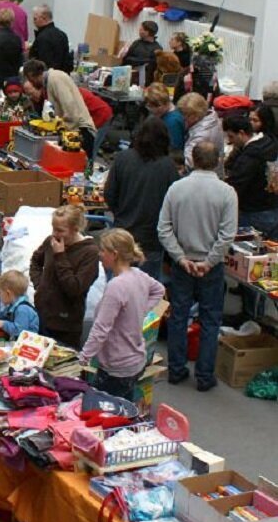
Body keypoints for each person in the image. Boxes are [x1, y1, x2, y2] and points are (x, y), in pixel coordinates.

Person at [158, 141, 238, 391]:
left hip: (183, 264)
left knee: (178, 317)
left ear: (192, 159)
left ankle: (176, 369)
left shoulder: (176, 188)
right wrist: (209, 261)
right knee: (210, 319)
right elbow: (227, 235)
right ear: (218, 161)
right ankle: (204, 376)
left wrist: (180, 258)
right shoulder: (227, 193)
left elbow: (164, 228)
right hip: (210, 267)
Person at [80, 229, 166, 400]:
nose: (100, 254)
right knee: (123, 408)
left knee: (99, 408)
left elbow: (100, 328)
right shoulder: (139, 275)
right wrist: (141, 311)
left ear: (114, 254)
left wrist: (84, 356)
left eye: (103, 250)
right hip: (136, 361)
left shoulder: (116, 286)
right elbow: (160, 290)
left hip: (116, 367)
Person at [104, 117, 178, 281]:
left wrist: (120, 213)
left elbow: (109, 193)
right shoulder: (168, 167)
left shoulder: (123, 158)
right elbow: (173, 205)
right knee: (144, 292)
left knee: (115, 286)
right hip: (151, 238)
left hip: (122, 232)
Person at [29, 205, 98, 348]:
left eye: (60, 230)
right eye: (53, 228)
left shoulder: (89, 253)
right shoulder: (50, 241)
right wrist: (40, 285)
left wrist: (60, 255)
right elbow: (35, 261)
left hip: (66, 325)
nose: (55, 234)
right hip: (42, 314)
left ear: (75, 229)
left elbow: (74, 288)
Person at [22, 59, 98, 155]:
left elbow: (70, 109)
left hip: (80, 131)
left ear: (31, 74)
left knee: (80, 167)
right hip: (74, 130)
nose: (31, 83)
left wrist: (59, 130)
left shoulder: (55, 78)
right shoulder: (50, 81)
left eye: (29, 79)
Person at [223, 114, 278, 238]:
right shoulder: (270, 142)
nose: (230, 141)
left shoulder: (249, 156)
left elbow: (235, 185)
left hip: (253, 212)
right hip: (273, 207)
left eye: (231, 136)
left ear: (241, 133)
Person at [178, 91, 224, 174]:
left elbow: (189, 162)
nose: (183, 118)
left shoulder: (202, 135)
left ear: (195, 116)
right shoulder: (212, 118)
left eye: (185, 115)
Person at [0, 270, 39, 339]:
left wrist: (3, 324)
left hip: (28, 343)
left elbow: (19, 331)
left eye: (0, 292)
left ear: (8, 293)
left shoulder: (23, 309)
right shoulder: (12, 305)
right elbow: (0, 315)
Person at [28, 4, 72, 72]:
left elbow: (43, 64)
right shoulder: (63, 35)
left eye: (35, 18)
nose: (33, 22)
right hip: (62, 76)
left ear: (44, 18)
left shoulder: (42, 38)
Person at [144, 83, 186, 152]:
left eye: (157, 106)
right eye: (149, 106)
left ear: (166, 102)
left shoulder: (172, 122)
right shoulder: (164, 114)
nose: (153, 110)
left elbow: (174, 150)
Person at [79, 86, 114, 157]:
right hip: (97, 114)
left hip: (102, 116)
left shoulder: (75, 95)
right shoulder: (76, 91)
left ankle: (89, 166)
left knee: (92, 147)